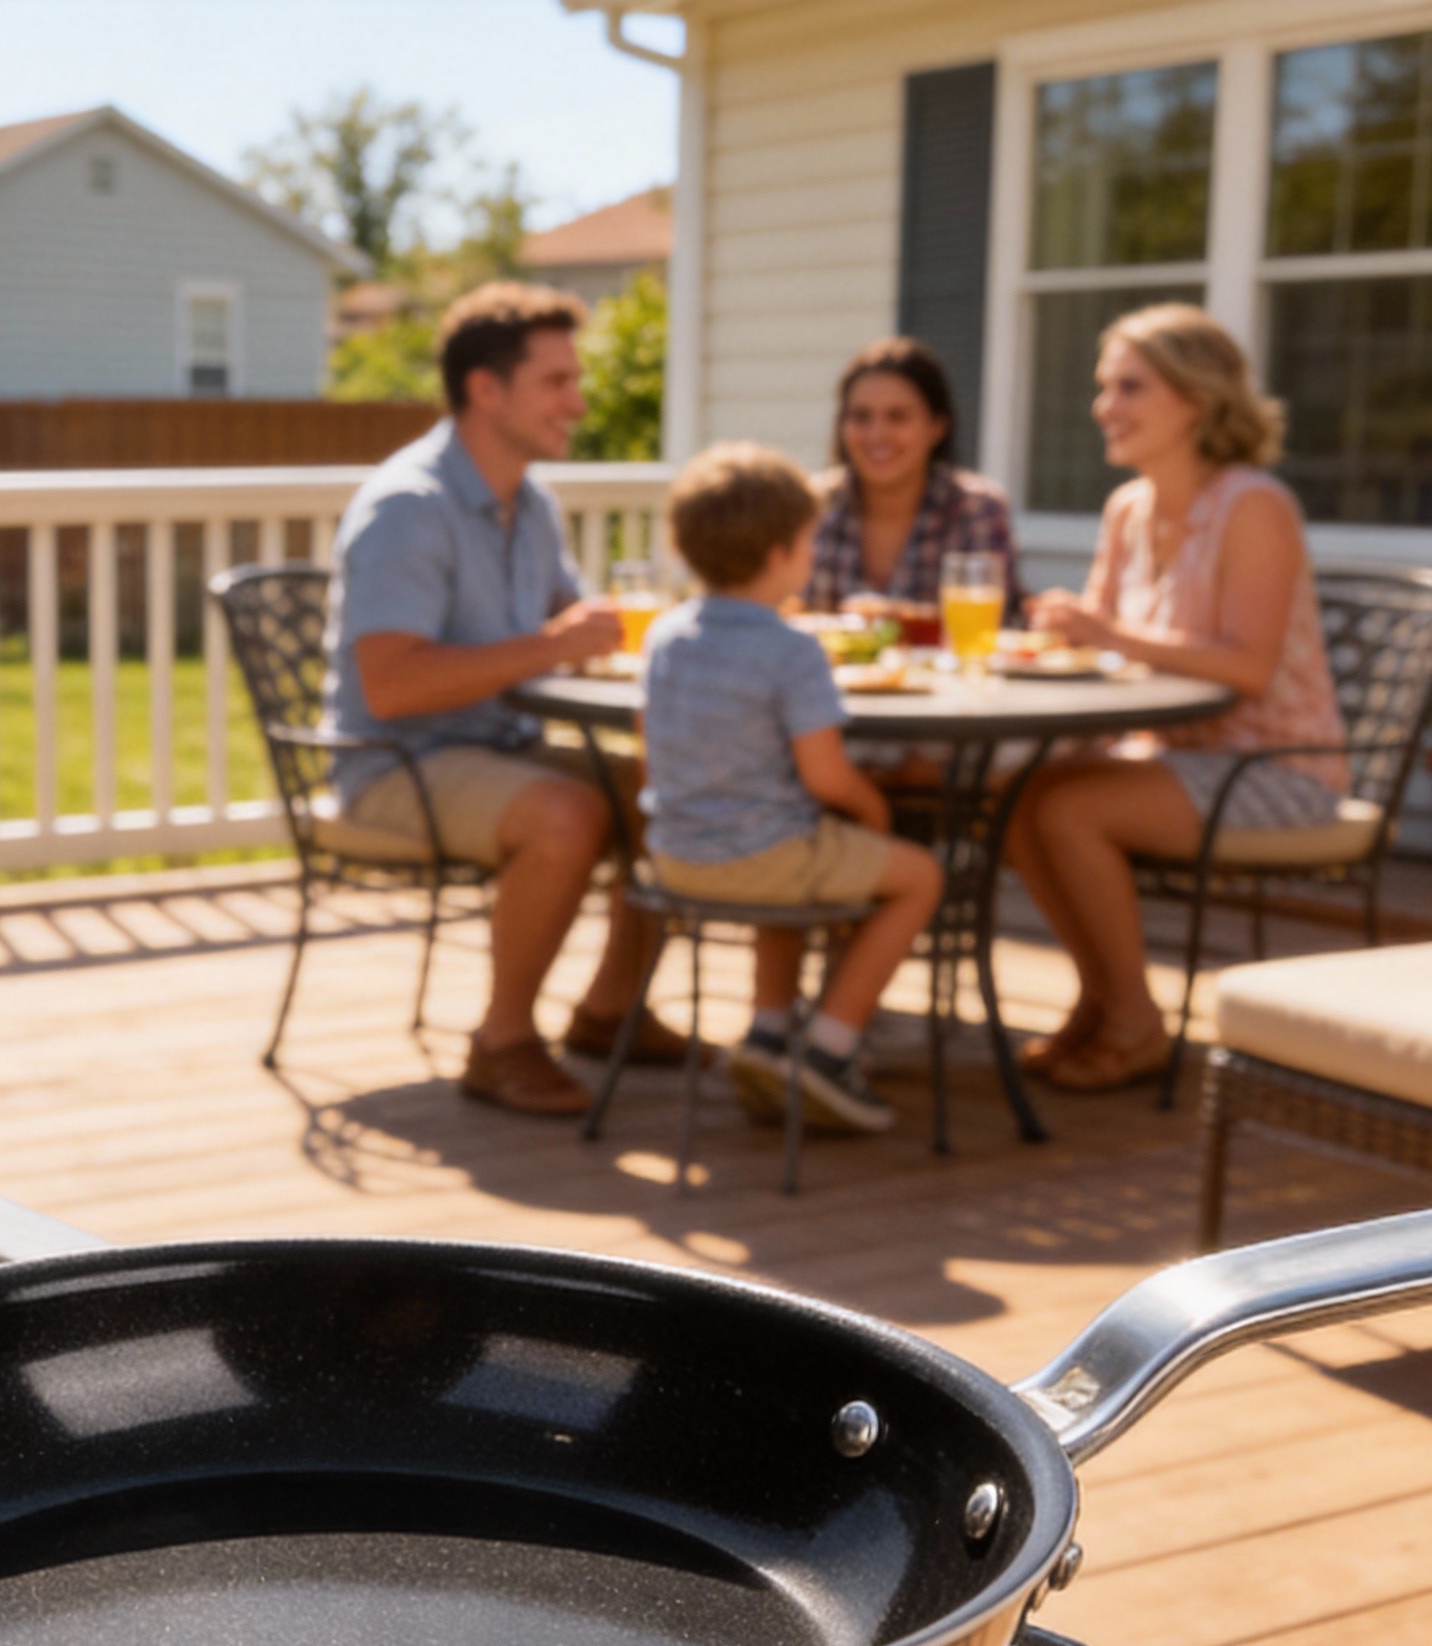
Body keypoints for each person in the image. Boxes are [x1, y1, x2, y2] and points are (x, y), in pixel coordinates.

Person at [323, 282, 671, 1118]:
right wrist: (555, 645)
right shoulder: (410, 507)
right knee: (565, 814)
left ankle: (608, 1010)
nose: (578, 402)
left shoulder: (531, 503)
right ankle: (503, 1042)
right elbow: (392, 683)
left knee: (667, 796)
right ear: (487, 388)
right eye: (557, 382)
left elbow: (568, 631)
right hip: (396, 763)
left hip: (498, 746)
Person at [1010, 303, 1346, 1094]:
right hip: (1170, 755)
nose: (1104, 408)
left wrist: (1109, 635)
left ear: (1195, 399)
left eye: (1129, 387)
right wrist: (1064, 634)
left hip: (1276, 770)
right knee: (1014, 791)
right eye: (1103, 388)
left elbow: (1250, 668)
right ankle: (1100, 999)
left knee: (1067, 810)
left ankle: (1133, 1020)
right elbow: (1100, 646)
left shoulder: (1253, 505)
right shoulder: (1127, 510)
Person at [635, 444, 944, 1135]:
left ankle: (769, 1034)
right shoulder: (793, 650)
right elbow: (826, 775)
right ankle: (829, 1050)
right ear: (780, 554)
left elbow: (648, 749)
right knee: (919, 876)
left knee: (798, 848)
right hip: (766, 855)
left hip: (674, 856)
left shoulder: (664, 634)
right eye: (809, 540)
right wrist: (876, 813)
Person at [806, 339, 1015, 625]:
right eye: (861, 416)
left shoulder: (976, 508)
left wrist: (896, 622)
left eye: (898, 417)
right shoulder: (809, 506)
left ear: (937, 427)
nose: (877, 434)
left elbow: (992, 630)